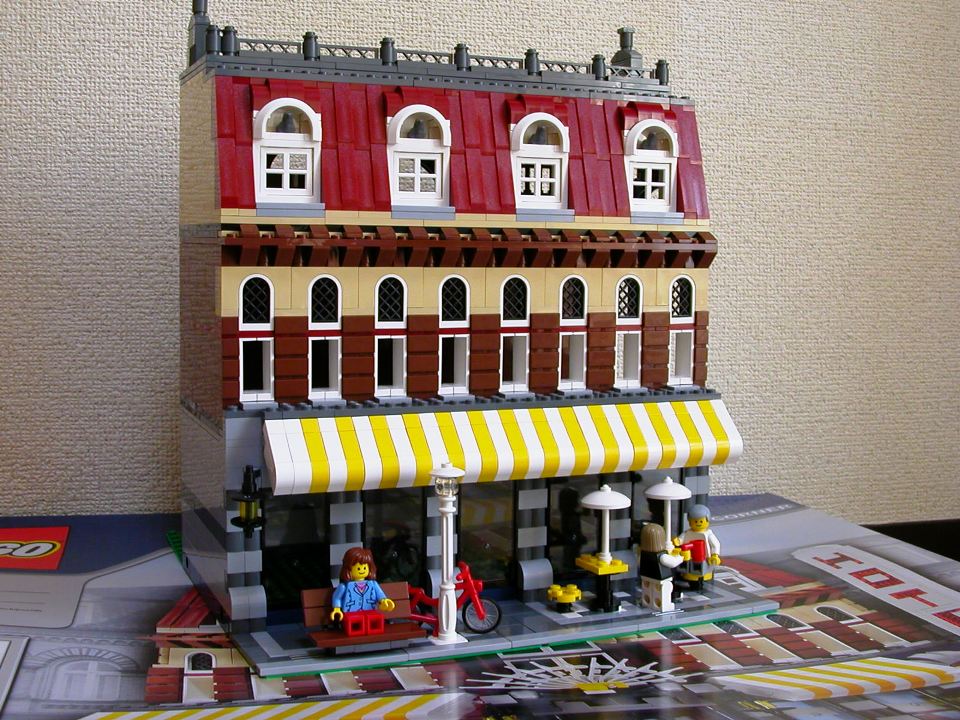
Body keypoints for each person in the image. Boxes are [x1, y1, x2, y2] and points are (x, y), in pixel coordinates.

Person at [331, 547, 396, 636]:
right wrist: (337, 609)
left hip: (369, 611)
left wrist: (384, 601)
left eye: (364, 567)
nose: (361, 570)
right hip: (351, 613)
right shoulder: (344, 586)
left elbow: (380, 594)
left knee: (374, 622)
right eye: (358, 568)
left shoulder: (373, 584)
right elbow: (337, 597)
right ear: (348, 569)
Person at [637, 523, 684, 612]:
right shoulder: (662, 556)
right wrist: (681, 557)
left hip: (646, 577)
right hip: (662, 579)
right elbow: (673, 563)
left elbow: (638, 563)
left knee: (648, 591)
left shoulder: (642, 555)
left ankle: (647, 602)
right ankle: (665, 605)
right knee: (664, 591)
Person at [673, 505, 721, 591]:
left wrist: (715, 555)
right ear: (690, 521)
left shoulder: (708, 534)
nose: (698, 523)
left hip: (704, 558)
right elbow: (681, 539)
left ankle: (700, 583)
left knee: (703, 570)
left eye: (701, 521)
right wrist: (677, 541)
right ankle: (690, 580)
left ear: (707, 520)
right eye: (695, 521)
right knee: (688, 570)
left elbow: (715, 545)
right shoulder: (687, 533)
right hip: (689, 556)